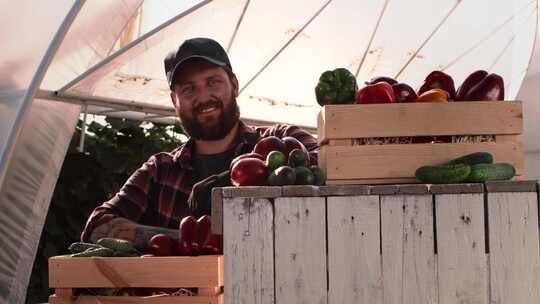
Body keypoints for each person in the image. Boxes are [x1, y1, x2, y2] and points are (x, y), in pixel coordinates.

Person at [81, 37, 317, 249]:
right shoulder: (160, 171)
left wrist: (227, 180)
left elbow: (333, 161)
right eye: (189, 89)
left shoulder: (276, 140)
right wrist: (172, 237)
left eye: (213, 82)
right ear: (175, 100)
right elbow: (97, 225)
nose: (203, 98)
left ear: (234, 85)